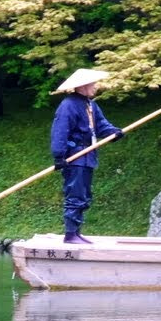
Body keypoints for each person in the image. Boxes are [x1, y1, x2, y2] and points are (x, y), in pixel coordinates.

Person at [50, 68, 121, 244]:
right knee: (75, 194)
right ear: (82, 86)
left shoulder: (91, 105)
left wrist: (114, 133)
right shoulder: (68, 105)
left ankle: (76, 232)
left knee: (84, 195)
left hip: (88, 156)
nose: (96, 87)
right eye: (93, 84)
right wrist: (59, 156)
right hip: (75, 157)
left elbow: (101, 125)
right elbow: (60, 131)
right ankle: (70, 234)